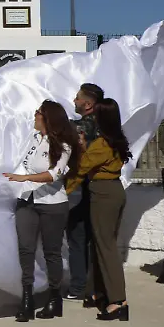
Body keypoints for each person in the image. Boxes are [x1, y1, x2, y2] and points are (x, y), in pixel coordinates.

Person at [4, 100, 80, 322]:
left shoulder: (64, 144)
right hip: (27, 200)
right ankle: (26, 298)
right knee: (25, 250)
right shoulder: (34, 139)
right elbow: (23, 164)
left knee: (51, 252)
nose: (34, 116)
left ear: (48, 118)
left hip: (52, 204)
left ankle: (55, 297)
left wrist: (24, 177)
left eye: (38, 113)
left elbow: (54, 174)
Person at [67, 98, 131, 321]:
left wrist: (60, 191)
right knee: (100, 244)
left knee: (106, 247)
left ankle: (118, 301)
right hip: (112, 190)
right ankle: (96, 292)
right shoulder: (116, 140)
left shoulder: (103, 144)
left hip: (102, 192)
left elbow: (82, 168)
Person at [64, 82, 104, 302]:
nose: (74, 101)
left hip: (81, 186)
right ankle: (96, 286)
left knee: (78, 237)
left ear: (88, 104)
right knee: (97, 239)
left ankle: (79, 287)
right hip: (101, 187)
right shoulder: (107, 124)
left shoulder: (83, 127)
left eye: (78, 98)